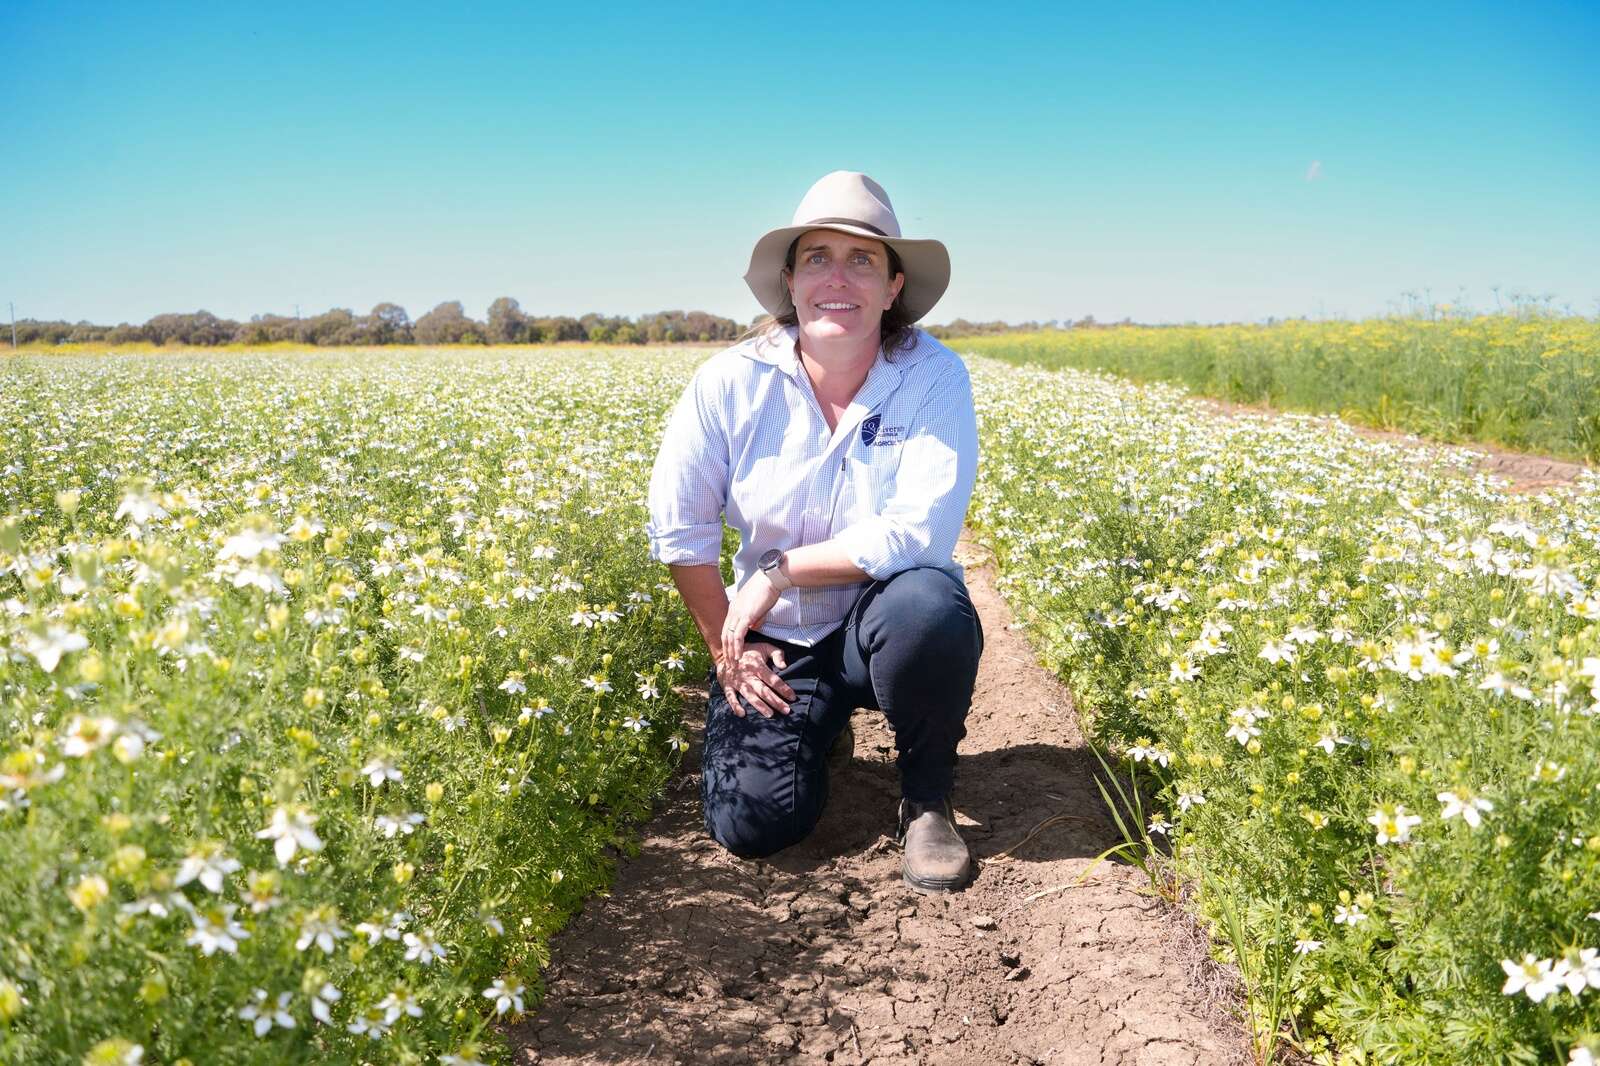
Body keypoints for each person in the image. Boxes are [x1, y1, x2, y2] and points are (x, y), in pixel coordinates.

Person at [645, 171, 983, 893]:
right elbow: (680, 529)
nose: (840, 278)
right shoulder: (728, 382)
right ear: (791, 284)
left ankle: (926, 798)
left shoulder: (932, 376)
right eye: (818, 258)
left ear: (894, 286)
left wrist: (780, 569)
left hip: (877, 622)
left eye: (863, 259)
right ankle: (819, 729)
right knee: (755, 826)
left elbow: (922, 530)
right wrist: (726, 649)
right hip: (779, 639)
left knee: (929, 606)